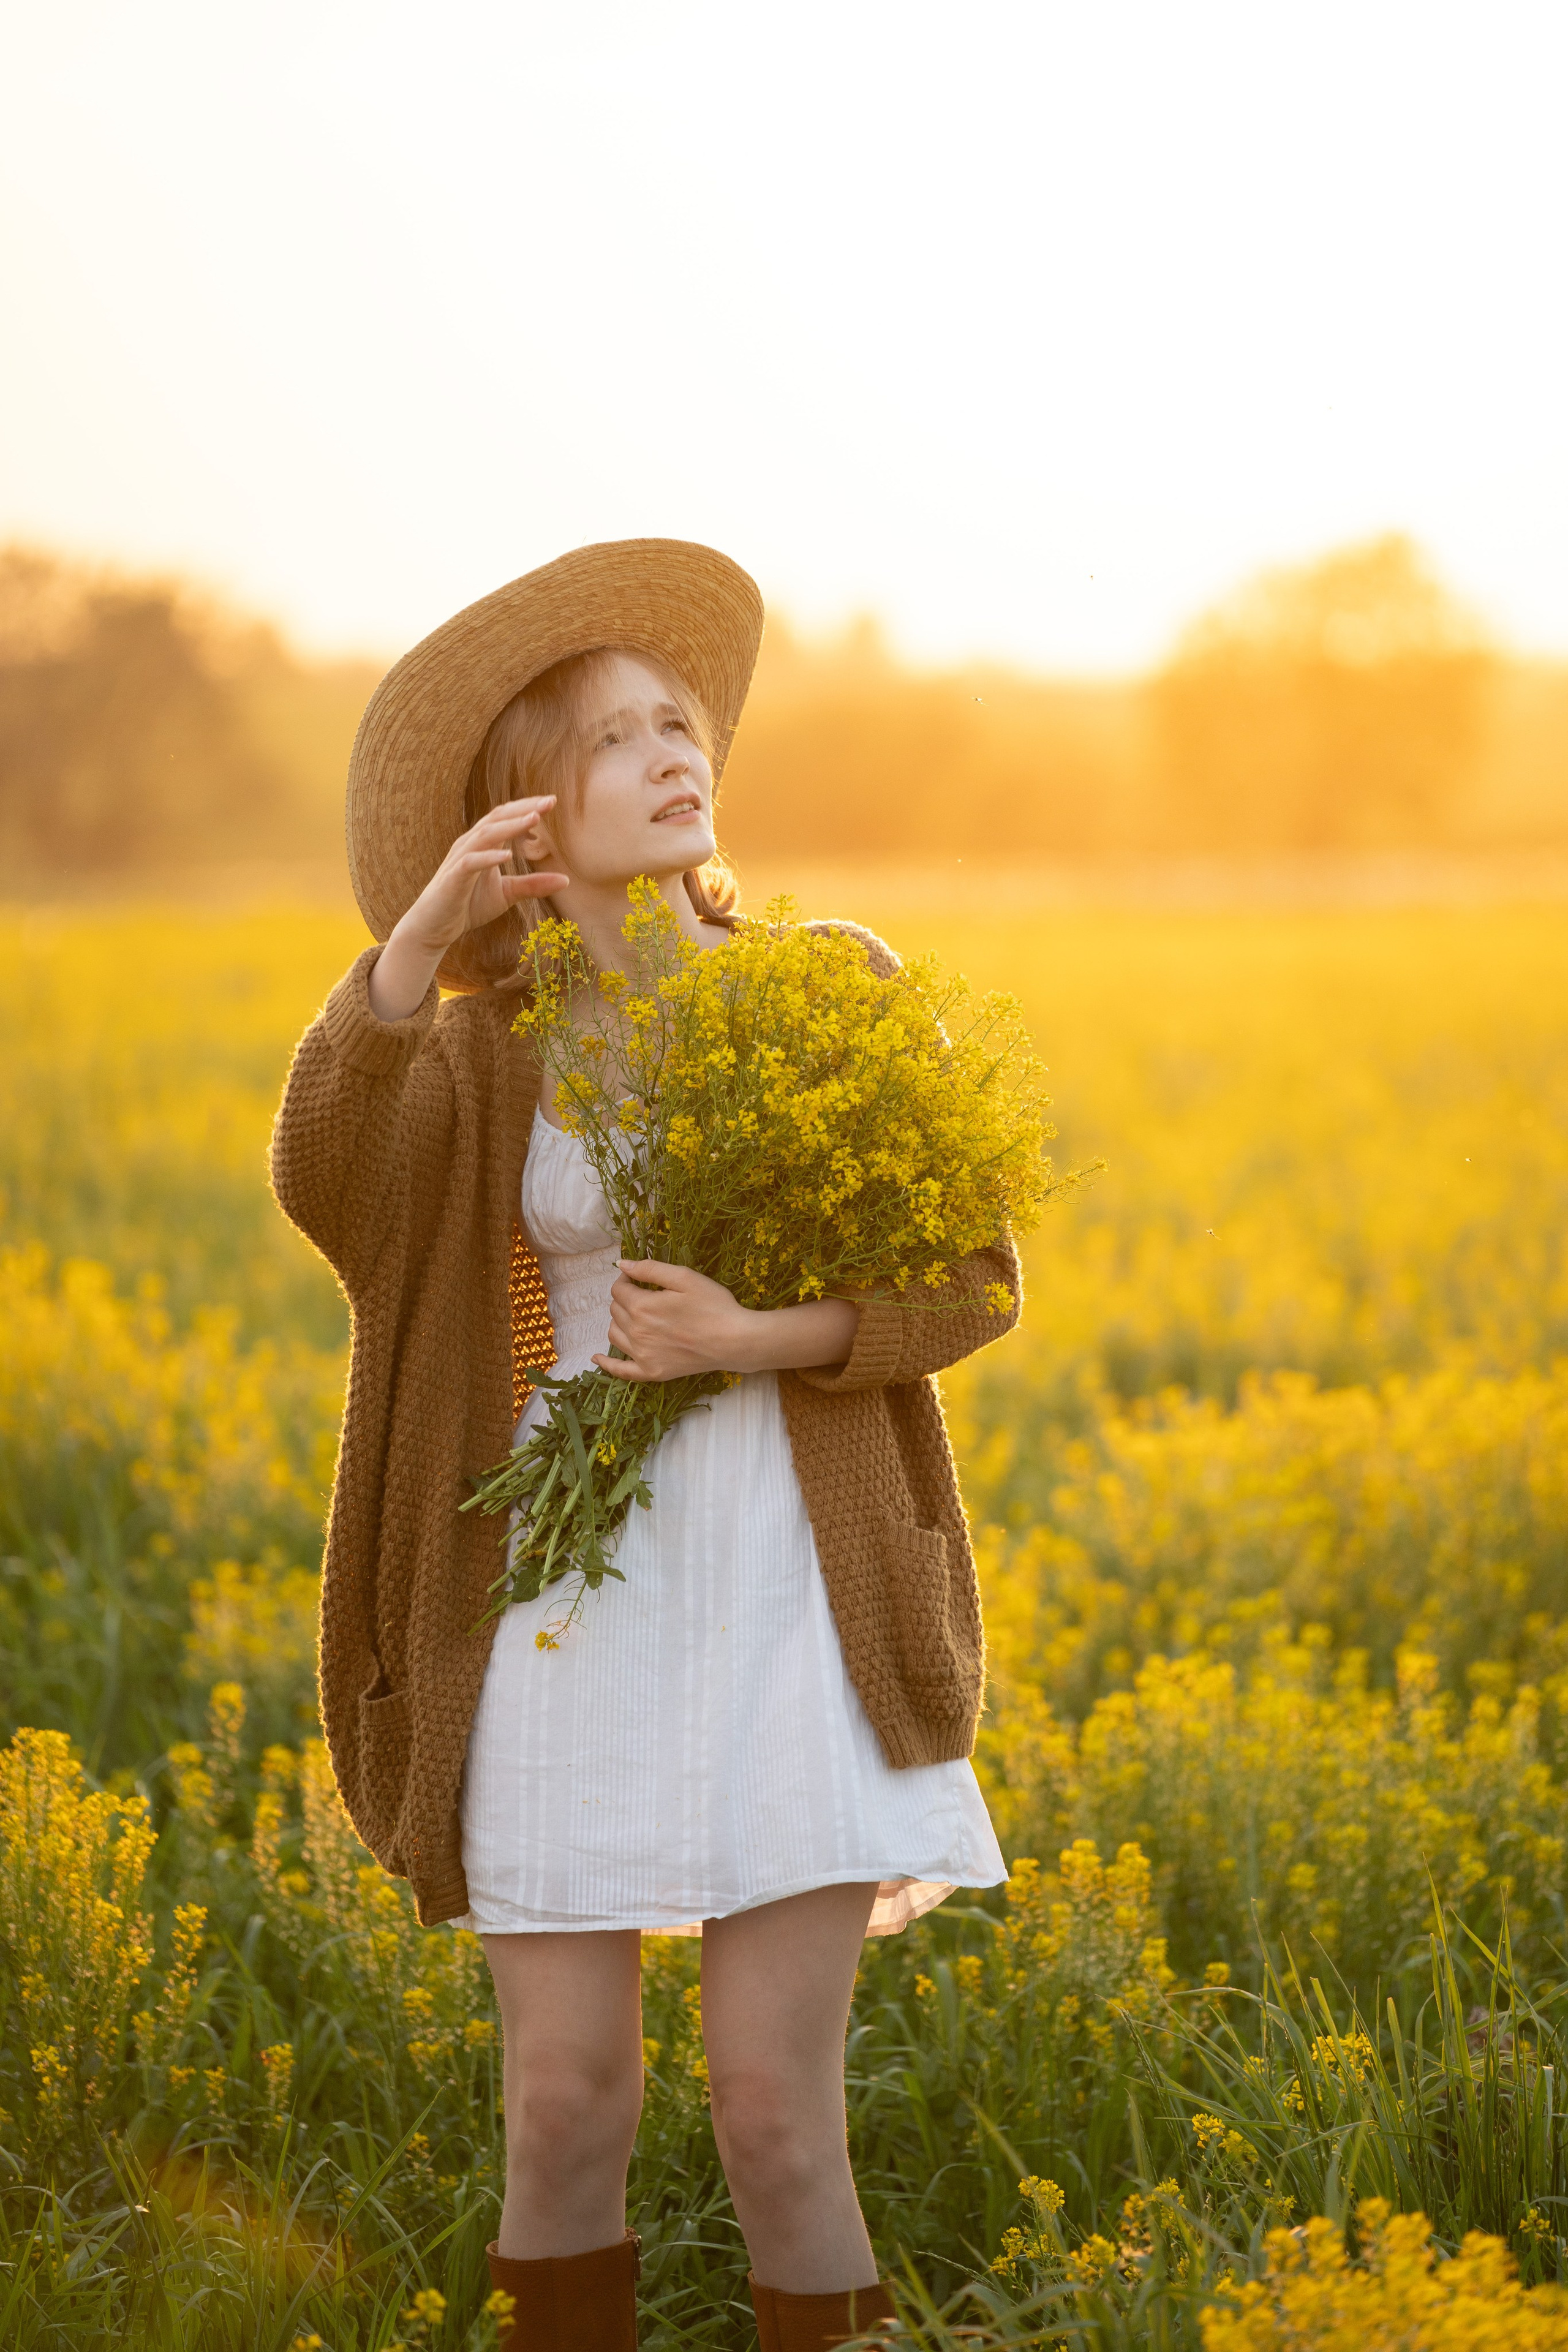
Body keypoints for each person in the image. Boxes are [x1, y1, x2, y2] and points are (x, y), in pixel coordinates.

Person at [270, 540, 1020, 2352]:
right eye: (614, 739)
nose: (672, 752)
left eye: (677, 722)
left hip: (790, 1593)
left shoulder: (829, 988)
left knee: (777, 2122)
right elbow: (331, 1183)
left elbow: (971, 1279)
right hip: (550, 1604)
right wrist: (415, 950)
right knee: (564, 2110)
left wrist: (752, 1338)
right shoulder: (471, 1060)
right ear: (533, 807)